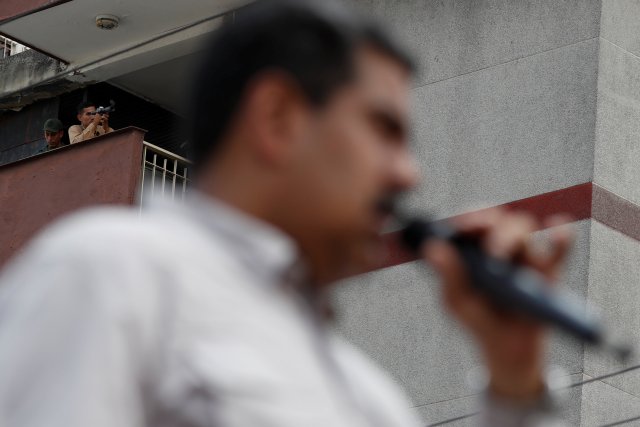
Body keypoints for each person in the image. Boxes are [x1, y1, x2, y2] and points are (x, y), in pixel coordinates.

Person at [0, 1, 570, 426]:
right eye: (383, 130)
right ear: (277, 117)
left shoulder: (368, 397)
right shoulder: (110, 273)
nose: (407, 174)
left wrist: (515, 384)